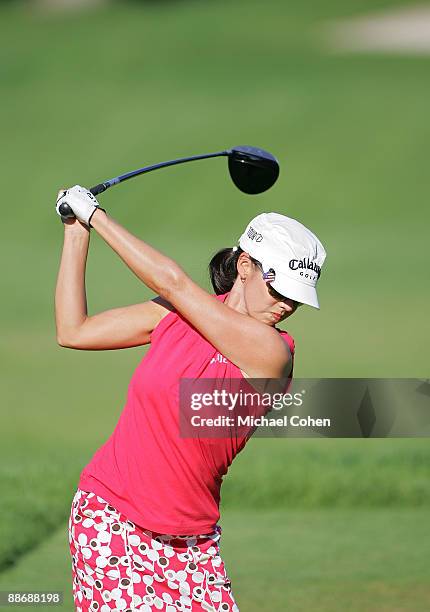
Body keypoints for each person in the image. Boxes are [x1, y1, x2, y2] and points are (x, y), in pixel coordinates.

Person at [55, 185, 326, 612]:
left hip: (193, 546)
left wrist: (98, 216)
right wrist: (76, 230)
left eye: (296, 297)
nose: (287, 306)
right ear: (245, 266)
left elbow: (174, 282)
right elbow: (74, 330)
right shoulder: (175, 314)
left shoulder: (274, 354)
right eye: (279, 291)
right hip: (112, 519)